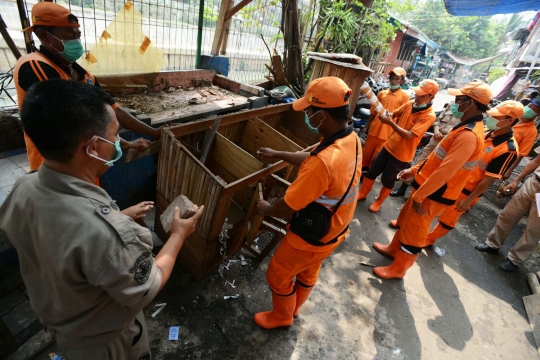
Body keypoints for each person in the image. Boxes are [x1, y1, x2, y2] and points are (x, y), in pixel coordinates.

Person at [0, 80, 204, 359]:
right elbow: (147, 288)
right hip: (106, 345)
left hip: (64, 327)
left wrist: (118, 217)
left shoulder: (24, 189)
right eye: (116, 135)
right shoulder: (110, 236)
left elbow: (64, 238)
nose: (118, 143)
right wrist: (179, 234)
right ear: (94, 147)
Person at [253, 77, 361, 329]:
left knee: (278, 274)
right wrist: (279, 154)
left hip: (309, 238)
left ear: (321, 116)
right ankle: (295, 308)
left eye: (309, 111)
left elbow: (289, 204)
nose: (307, 116)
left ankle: (281, 317)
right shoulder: (350, 139)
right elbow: (316, 160)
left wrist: (267, 209)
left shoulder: (322, 163)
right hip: (334, 231)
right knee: (308, 271)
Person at [14, 2, 161, 171]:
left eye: (78, 35)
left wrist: (153, 133)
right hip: (57, 169)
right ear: (44, 36)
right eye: (69, 36)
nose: (76, 41)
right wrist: (124, 144)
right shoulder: (34, 66)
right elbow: (76, 122)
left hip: (88, 162)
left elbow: (114, 111)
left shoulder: (85, 75)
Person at [373, 81, 491, 279]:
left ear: (470, 103)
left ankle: (399, 269)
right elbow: (438, 157)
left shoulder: (469, 135)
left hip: (435, 193)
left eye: (459, 100)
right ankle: (393, 250)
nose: (455, 103)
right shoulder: (464, 127)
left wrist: (420, 195)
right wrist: (415, 169)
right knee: (407, 221)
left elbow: (446, 171)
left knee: (415, 232)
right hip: (427, 187)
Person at [424, 100, 523, 246]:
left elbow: (488, 180)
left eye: (497, 117)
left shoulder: (508, 149)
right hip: (453, 180)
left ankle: (429, 239)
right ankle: (418, 230)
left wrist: (469, 200)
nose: (491, 118)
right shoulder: (486, 133)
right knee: (430, 206)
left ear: (510, 120)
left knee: (449, 218)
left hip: (466, 191)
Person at [357, 79, 439, 213]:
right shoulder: (410, 104)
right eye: (417, 93)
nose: (417, 96)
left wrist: (390, 123)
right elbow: (394, 114)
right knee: (372, 171)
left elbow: (409, 135)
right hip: (389, 146)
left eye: (422, 95)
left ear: (431, 96)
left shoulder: (429, 116)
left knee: (388, 180)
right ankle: (363, 193)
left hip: (402, 154)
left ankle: (379, 202)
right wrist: (386, 114)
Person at [475, 146, 540, 272]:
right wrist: (516, 180)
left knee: (534, 229)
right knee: (508, 215)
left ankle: (514, 259)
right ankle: (493, 244)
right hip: (533, 182)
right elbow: (537, 161)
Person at [390, 100, 461, 197]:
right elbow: (438, 120)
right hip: (436, 139)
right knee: (419, 162)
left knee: (432, 169)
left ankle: (416, 194)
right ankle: (402, 189)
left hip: (449, 144)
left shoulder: (471, 113)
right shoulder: (452, 104)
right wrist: (436, 130)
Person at [361, 67, 410, 171]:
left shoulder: (404, 97)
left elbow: (402, 118)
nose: (393, 81)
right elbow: (373, 112)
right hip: (374, 130)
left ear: (402, 81)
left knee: (377, 156)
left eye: (397, 79)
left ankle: (369, 174)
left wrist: (395, 134)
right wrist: (366, 126)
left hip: (387, 133)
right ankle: (361, 172)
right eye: (392, 78)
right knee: (366, 152)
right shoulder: (382, 93)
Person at [502, 97, 540, 179]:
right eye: (529, 106)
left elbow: (521, 154)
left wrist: (509, 170)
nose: (529, 109)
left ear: (538, 114)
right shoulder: (513, 115)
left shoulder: (532, 131)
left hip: (502, 160)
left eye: (534, 110)